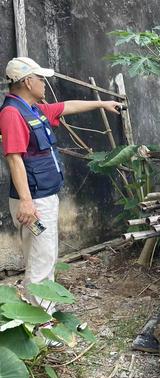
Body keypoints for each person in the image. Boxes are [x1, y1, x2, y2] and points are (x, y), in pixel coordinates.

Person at [0, 57, 123, 309]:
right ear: (26, 81)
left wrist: (102, 103)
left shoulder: (33, 109)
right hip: (33, 201)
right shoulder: (12, 114)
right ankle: (41, 326)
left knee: (45, 256)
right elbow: (14, 159)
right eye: (41, 79)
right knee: (40, 259)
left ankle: (44, 314)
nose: (44, 84)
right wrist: (26, 202)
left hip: (44, 196)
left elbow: (68, 106)